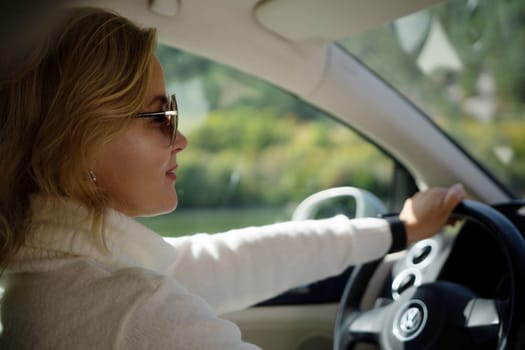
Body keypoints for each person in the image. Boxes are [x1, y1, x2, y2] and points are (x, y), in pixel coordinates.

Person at [0, 6, 466, 350]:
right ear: (83, 139)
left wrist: (397, 231)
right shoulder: (130, 310)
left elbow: (226, 261)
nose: (180, 139)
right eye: (161, 115)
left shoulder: (61, 277)